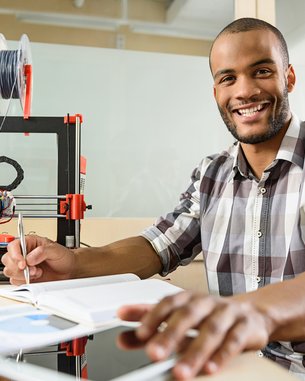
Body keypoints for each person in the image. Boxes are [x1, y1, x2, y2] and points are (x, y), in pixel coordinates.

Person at [2, 17, 305, 380]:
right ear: (215, 93)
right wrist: (73, 263)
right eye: (228, 78)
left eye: (261, 71)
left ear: (288, 77)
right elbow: (157, 246)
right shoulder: (213, 173)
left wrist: (256, 312)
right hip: (231, 367)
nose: (244, 91)